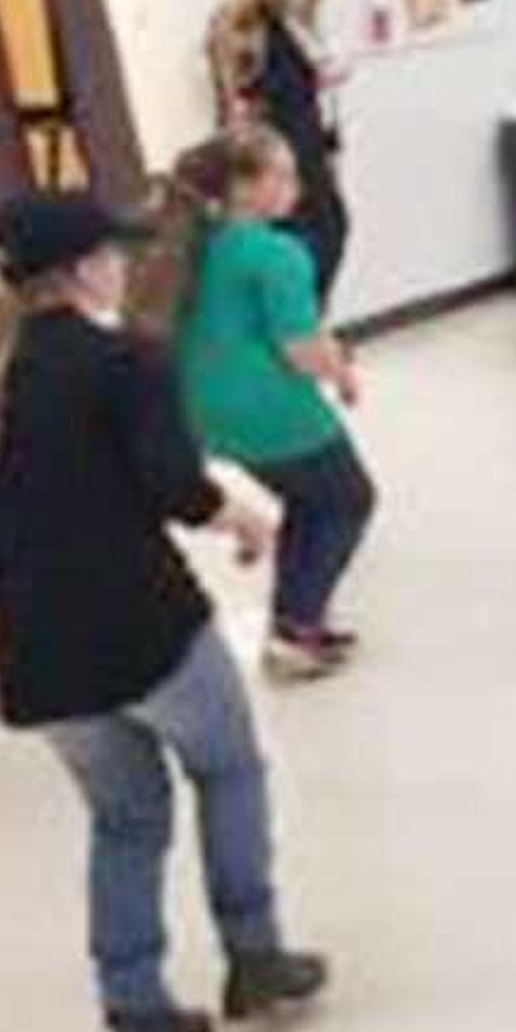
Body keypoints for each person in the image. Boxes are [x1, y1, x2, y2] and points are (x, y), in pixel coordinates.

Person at [0, 192, 330, 1032]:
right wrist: (249, 521)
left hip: (46, 664)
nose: (124, 267)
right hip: (149, 629)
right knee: (228, 769)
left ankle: (136, 1014)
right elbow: (176, 486)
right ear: (80, 270)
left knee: (123, 819)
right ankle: (255, 957)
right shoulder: (123, 363)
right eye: (113, 254)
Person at [163, 129, 375, 683]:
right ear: (240, 187)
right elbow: (301, 349)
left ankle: (295, 622)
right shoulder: (277, 252)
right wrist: (343, 373)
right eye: (279, 175)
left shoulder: (195, 242)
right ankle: (295, 626)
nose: (295, 186)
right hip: (270, 407)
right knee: (349, 500)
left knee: (310, 501)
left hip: (206, 408)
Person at [205, 0, 352, 304]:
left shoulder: (279, 27)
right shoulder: (257, 29)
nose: (312, 2)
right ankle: (299, 331)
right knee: (308, 239)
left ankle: (305, 328)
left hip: (301, 146)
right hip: (284, 149)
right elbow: (254, 92)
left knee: (323, 231)